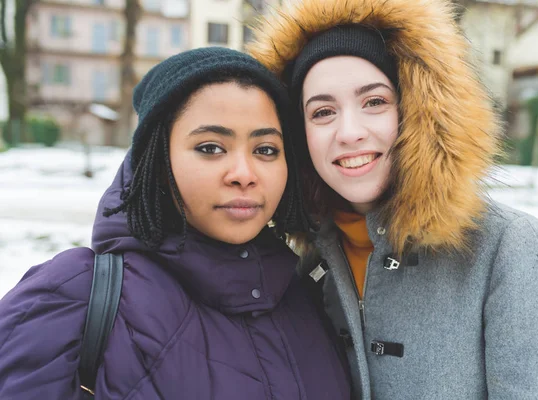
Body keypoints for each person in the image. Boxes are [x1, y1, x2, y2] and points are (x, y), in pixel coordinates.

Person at [247, 0, 538, 399]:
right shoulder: (303, 263)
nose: (349, 132)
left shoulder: (506, 248)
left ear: (419, 111)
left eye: (374, 102)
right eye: (322, 112)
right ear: (298, 135)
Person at [0, 47, 351, 399]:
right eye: (211, 148)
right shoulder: (71, 298)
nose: (245, 174)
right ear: (155, 160)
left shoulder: (308, 296)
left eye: (266, 150)